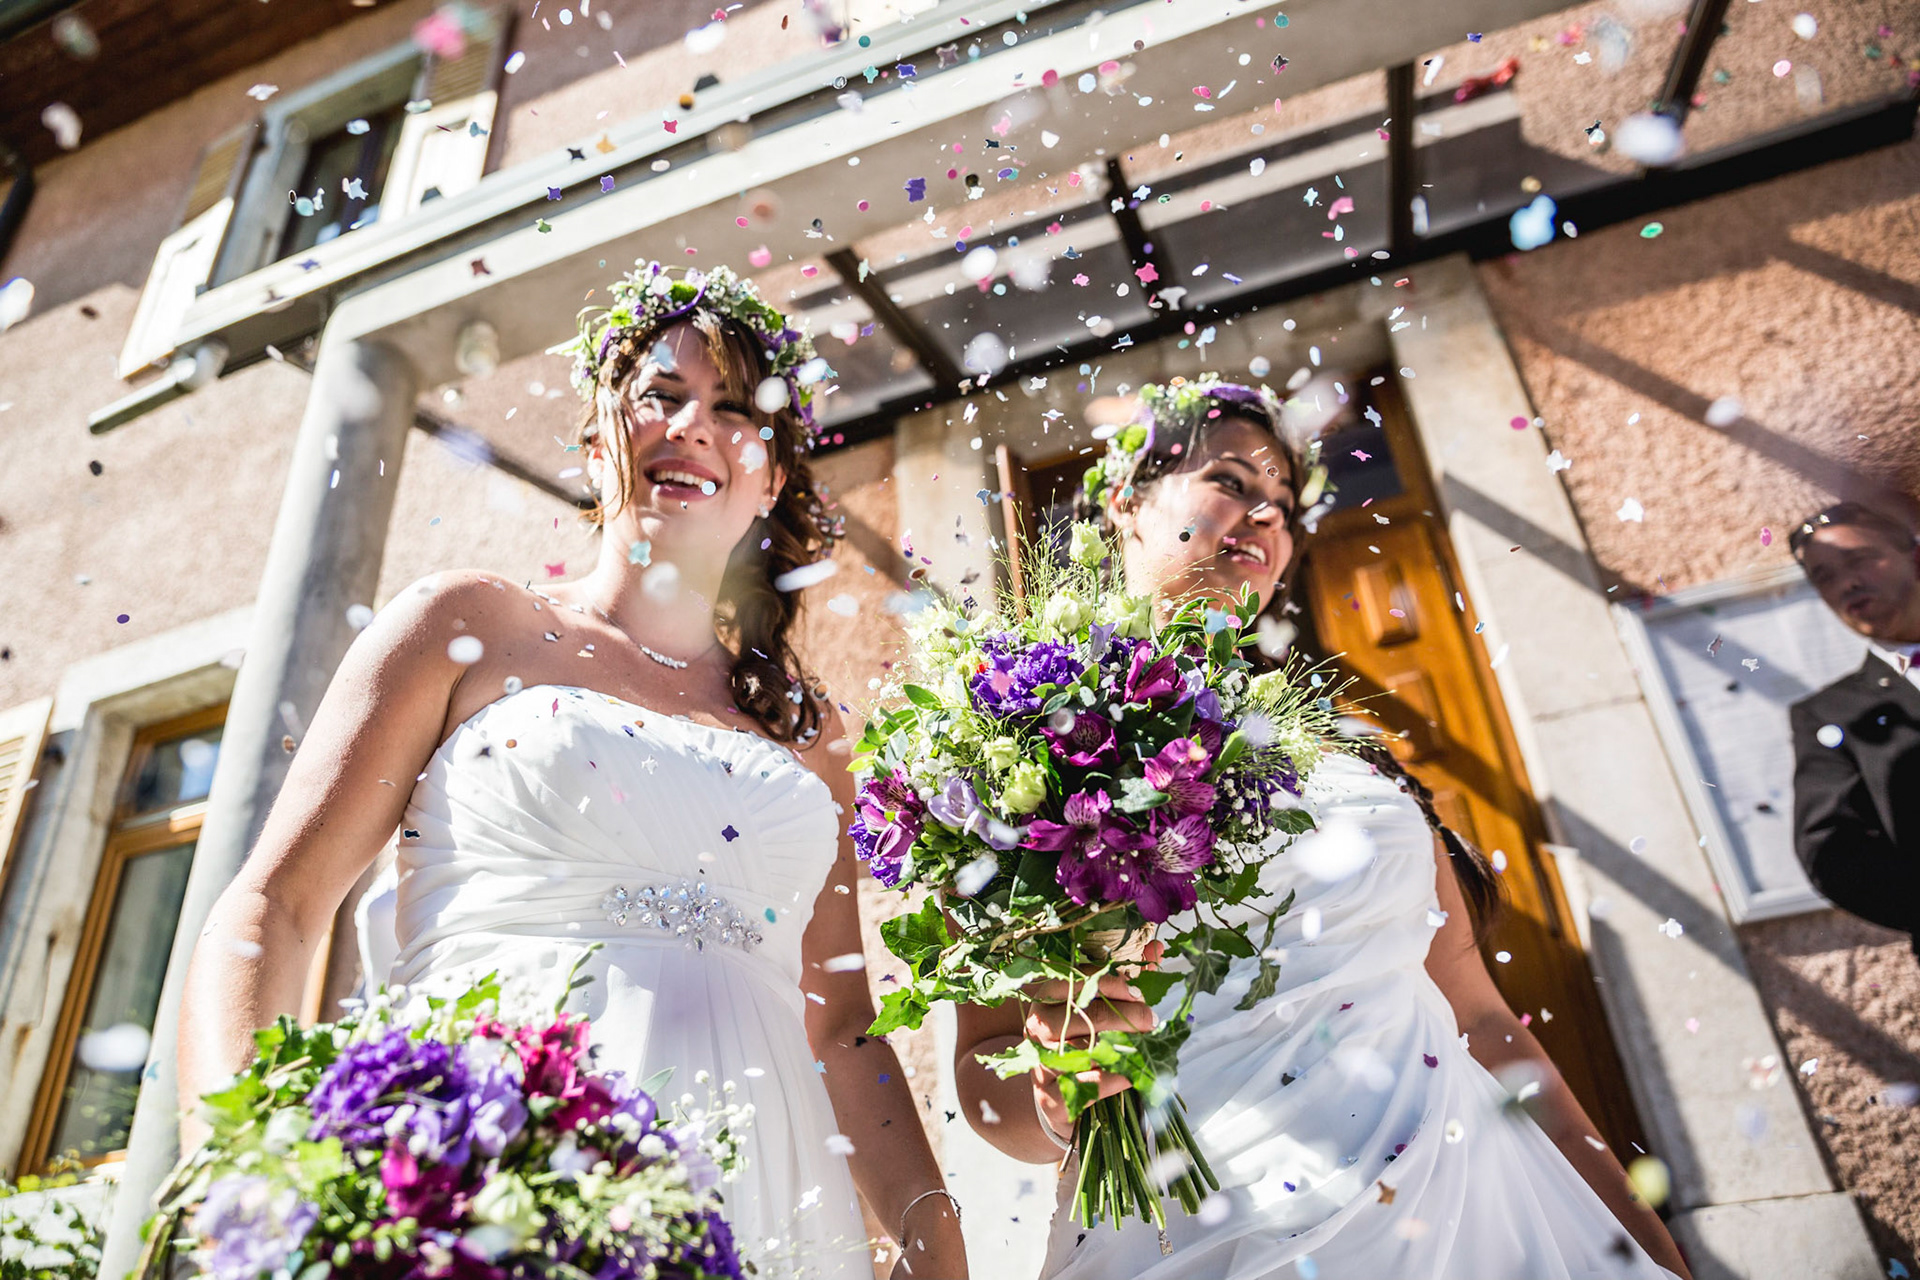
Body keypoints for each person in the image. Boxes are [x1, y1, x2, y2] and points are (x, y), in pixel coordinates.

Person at [177, 262, 968, 1280]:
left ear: (771, 478)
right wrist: (245, 1177)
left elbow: (845, 1028)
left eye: (733, 408)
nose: (692, 425)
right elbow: (275, 908)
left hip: (774, 1203)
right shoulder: (466, 624)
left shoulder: (811, 735)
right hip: (495, 1163)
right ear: (598, 442)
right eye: (660, 395)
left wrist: (930, 1222)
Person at [951, 375, 1690, 1279]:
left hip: (1473, 1209)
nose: (1265, 517)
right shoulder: (1017, 739)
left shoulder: (1348, 752)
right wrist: (1055, 1095)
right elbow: (984, 1069)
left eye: (1284, 505)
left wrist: (1640, 1240)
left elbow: (1483, 1020)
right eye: (1230, 482)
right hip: (1198, 1230)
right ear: (1126, 505)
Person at [1788, 500, 1920, 955]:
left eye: (1859, 559)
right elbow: (1830, 853)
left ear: (1914, 555)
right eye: (1824, 577)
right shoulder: (1831, 714)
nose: (1846, 583)